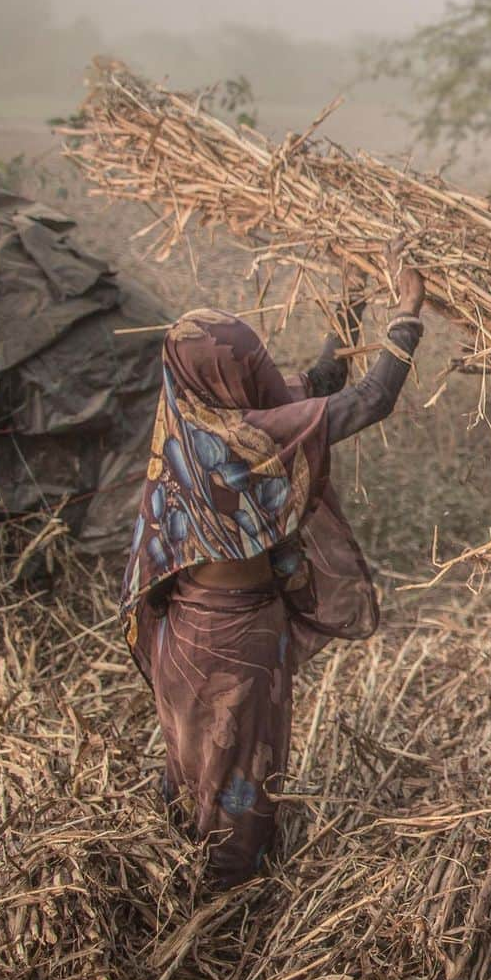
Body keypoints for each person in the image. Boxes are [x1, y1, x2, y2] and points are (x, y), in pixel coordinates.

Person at [120, 264, 426, 887]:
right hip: (230, 643)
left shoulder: (193, 417)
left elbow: (316, 381)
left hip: (188, 632)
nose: (262, 374)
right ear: (228, 374)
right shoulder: (238, 442)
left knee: (198, 764)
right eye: (251, 362)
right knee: (238, 776)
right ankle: (225, 906)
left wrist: (351, 305)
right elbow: (369, 399)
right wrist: (408, 314)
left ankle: (178, 873)